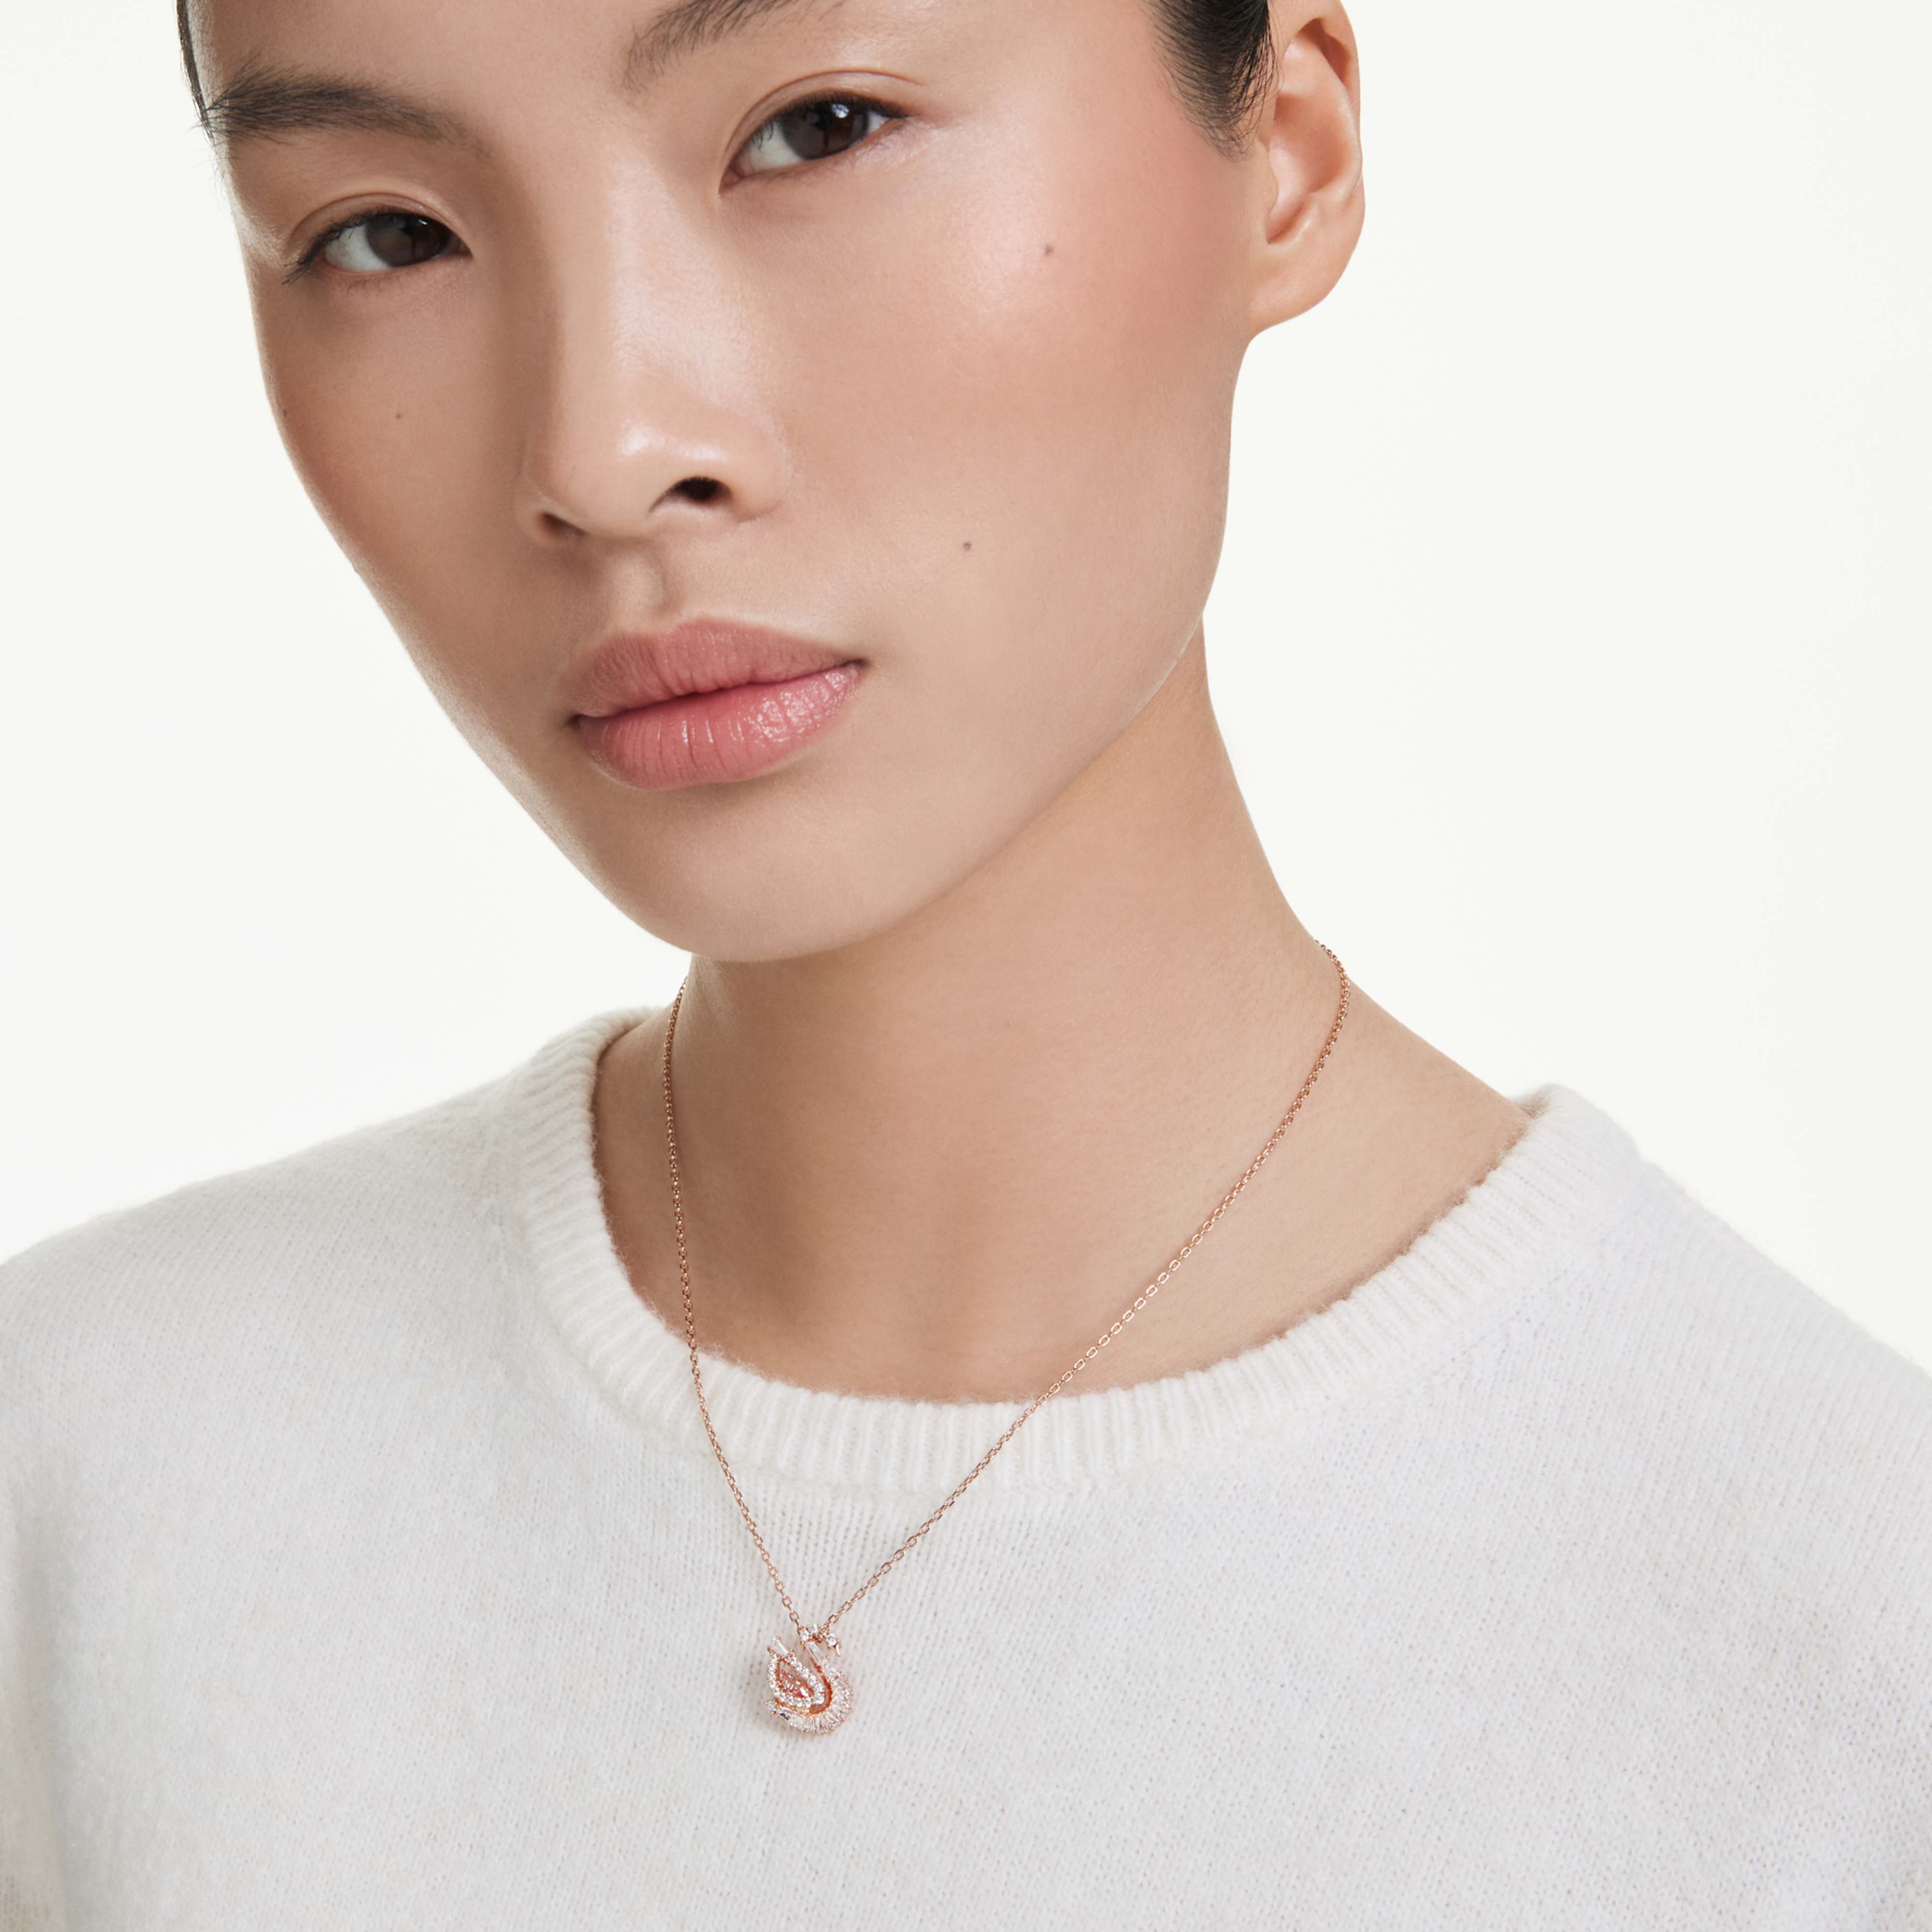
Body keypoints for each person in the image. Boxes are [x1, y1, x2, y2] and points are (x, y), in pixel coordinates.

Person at [2, 0, 1927, 1920]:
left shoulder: (1843, 1668)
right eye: (384, 233)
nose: (605, 450)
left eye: (818, 129)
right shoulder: (86, 1484)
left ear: (1288, 150)